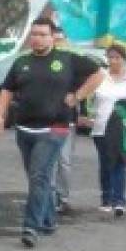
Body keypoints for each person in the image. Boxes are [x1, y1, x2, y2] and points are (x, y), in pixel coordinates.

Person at [0, 17, 104, 248]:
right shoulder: (22, 62)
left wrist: (78, 96)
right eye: (34, 34)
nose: (37, 38)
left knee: (39, 175)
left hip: (55, 128)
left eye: (43, 34)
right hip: (25, 129)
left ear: (53, 37)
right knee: (38, 178)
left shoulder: (67, 59)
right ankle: (49, 219)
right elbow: (6, 90)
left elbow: (98, 75)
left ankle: (30, 227)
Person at [88, 44, 126, 217]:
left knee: (120, 163)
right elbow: (91, 99)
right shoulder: (101, 76)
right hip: (101, 126)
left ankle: (119, 201)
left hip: (123, 129)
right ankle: (106, 199)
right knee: (105, 163)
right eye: (110, 57)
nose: (113, 61)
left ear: (123, 58)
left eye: (117, 57)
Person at [51, 25, 82, 214]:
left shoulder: (72, 61)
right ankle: (50, 196)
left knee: (64, 160)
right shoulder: (42, 61)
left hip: (66, 119)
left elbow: (92, 78)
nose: (58, 44)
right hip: (44, 121)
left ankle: (63, 197)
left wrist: (78, 97)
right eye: (55, 39)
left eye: (61, 40)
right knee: (49, 160)